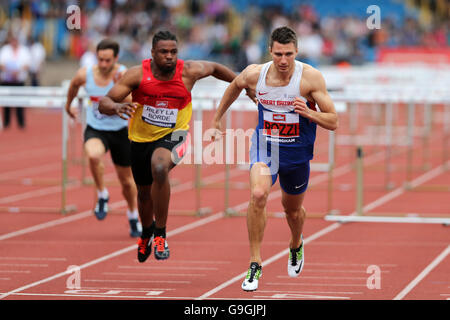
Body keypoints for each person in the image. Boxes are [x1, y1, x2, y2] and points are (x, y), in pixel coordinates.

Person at [98, 30, 255, 263]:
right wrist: (116, 107)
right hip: (140, 140)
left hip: (175, 135)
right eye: (163, 52)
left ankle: (160, 234)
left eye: (173, 52)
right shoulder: (137, 75)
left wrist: (242, 83)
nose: (169, 56)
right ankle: (146, 232)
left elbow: (215, 67)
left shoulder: (189, 71)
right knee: (143, 193)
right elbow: (104, 102)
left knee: (159, 168)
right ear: (153, 53)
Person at [210, 26, 338, 292]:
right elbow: (235, 85)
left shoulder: (310, 79)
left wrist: (309, 113)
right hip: (265, 147)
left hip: (297, 153)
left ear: (296, 52)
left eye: (288, 54)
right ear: (270, 51)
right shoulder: (255, 74)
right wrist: (217, 118)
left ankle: (295, 243)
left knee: (292, 210)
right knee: (258, 194)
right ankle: (255, 262)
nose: (283, 60)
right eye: (278, 54)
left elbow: (333, 121)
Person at [65, 39, 141, 238]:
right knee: (92, 154)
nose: (104, 64)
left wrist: (120, 89)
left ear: (116, 58)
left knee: (126, 181)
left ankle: (133, 214)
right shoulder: (86, 74)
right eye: (101, 60)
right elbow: (73, 85)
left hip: (120, 132)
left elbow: (135, 102)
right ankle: (102, 194)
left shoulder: (124, 75)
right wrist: (68, 106)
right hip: (96, 128)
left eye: (108, 60)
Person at [0, 34, 31, 129]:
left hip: (19, 80)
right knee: (6, 103)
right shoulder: (5, 50)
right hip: (7, 80)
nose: (14, 42)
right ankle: (6, 122)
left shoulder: (24, 50)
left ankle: (21, 122)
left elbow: (27, 64)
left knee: (20, 102)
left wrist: (18, 71)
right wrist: (10, 71)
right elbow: (1, 64)